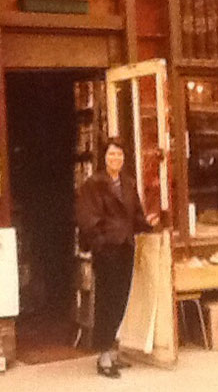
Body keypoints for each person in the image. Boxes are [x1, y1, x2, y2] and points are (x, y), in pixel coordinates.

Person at [76, 138, 159, 379]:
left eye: (120, 155)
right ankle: (103, 355)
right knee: (106, 301)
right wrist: (100, 242)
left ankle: (111, 350)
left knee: (121, 299)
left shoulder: (128, 184)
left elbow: (136, 215)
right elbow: (86, 218)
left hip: (125, 247)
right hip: (107, 250)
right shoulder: (93, 185)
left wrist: (149, 225)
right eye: (112, 155)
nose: (116, 159)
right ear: (104, 158)